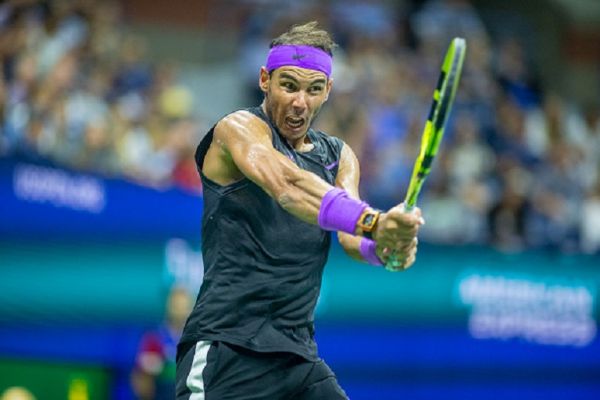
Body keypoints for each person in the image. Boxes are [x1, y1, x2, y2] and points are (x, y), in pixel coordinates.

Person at [176, 21, 424, 400]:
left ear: (328, 91)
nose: (300, 102)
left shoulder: (339, 156)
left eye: (314, 89)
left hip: (298, 360)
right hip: (227, 351)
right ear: (264, 80)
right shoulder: (238, 129)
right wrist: (375, 222)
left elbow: (352, 239)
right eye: (288, 85)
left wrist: (388, 249)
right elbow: (288, 187)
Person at [132, 286, 193, 399]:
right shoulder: (154, 339)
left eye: (184, 306)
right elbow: (140, 381)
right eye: (176, 305)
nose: (180, 309)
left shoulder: (198, 341)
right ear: (168, 306)